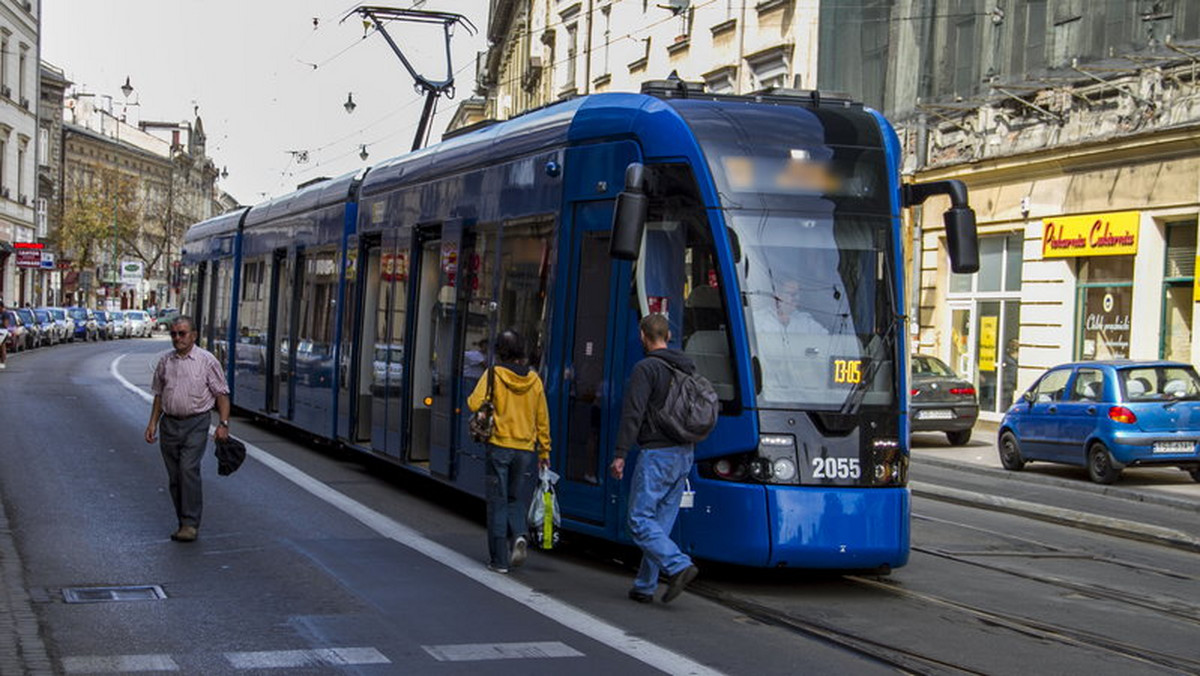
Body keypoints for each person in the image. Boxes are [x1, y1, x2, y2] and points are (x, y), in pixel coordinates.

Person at [610, 313, 701, 604]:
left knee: (639, 519)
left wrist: (621, 454)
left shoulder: (646, 368)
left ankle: (678, 565)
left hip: (657, 454)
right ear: (669, 336)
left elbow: (633, 413)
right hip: (685, 453)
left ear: (642, 336)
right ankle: (645, 585)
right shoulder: (687, 367)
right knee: (659, 524)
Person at [467, 329, 551, 573]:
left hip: (499, 446)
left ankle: (499, 561)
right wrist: (544, 451)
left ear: (500, 352)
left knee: (497, 503)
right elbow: (542, 418)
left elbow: (473, 402)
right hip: (524, 450)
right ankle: (520, 536)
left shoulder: (494, 375)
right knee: (514, 498)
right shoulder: (534, 380)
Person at [143, 316, 231, 543]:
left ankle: (191, 523)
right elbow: (159, 395)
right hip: (170, 423)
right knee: (175, 477)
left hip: (196, 422)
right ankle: (182, 520)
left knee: (187, 469)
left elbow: (221, 395)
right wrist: (153, 423)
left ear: (193, 335)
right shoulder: (165, 362)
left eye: (182, 334)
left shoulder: (207, 361)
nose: (177, 338)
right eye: (173, 334)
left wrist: (223, 424)